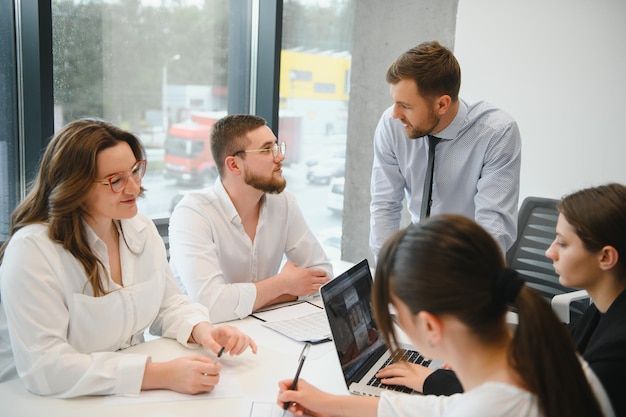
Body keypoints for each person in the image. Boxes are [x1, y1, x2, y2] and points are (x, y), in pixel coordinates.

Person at [0, 118, 256, 398]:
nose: (135, 189)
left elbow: (167, 304)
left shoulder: (140, 228)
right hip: (37, 400)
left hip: (115, 395)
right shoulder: (33, 251)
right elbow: (46, 367)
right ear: (75, 186)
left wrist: (203, 330)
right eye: (116, 181)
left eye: (135, 171)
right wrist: (160, 375)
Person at [278, 215, 610, 417]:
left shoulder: (492, 406)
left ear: (429, 327)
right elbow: (441, 410)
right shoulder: (541, 355)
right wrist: (326, 403)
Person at [375, 183, 626, 416]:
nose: (549, 252)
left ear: (606, 257)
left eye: (562, 242)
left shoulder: (613, 356)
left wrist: (437, 379)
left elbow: (505, 401)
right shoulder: (603, 312)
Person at [169, 114, 332, 323]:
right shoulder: (192, 213)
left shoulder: (283, 203)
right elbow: (211, 306)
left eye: (277, 146)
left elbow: (323, 276)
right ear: (234, 165)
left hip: (261, 329)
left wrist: (250, 300)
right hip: (202, 342)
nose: (279, 157)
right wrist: (282, 284)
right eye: (266, 150)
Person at [369, 40, 521, 258]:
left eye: (406, 106)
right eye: (395, 101)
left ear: (442, 104)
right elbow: (385, 205)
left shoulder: (497, 133)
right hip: (417, 257)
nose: (395, 113)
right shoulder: (392, 125)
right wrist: (387, 274)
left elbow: (493, 229)